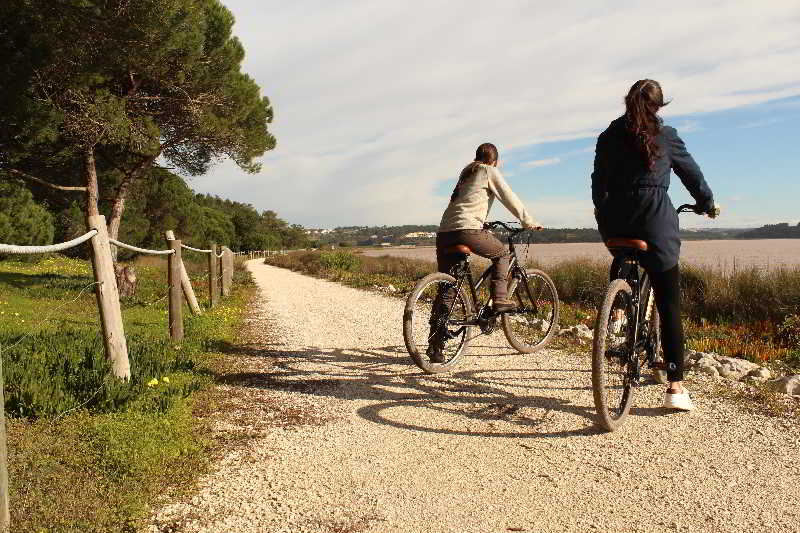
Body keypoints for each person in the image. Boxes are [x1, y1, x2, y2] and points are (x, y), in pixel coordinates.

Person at [591, 79, 716, 411]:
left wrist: (602, 210)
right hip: (654, 217)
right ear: (659, 106)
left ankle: (617, 308)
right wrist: (707, 203)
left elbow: (597, 180)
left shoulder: (608, 135)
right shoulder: (667, 135)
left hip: (614, 218)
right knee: (668, 302)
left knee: (624, 254)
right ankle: (675, 387)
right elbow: (693, 176)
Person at [428, 142, 542, 362]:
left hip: (445, 233)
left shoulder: (467, 173)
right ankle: (500, 299)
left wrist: (482, 222)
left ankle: (435, 346)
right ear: (495, 161)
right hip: (466, 230)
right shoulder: (489, 171)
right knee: (502, 254)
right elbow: (509, 197)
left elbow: (465, 205)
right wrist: (528, 221)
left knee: (448, 288)